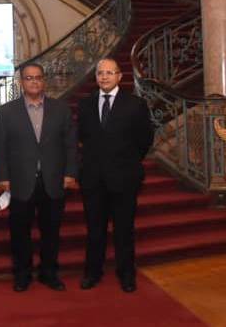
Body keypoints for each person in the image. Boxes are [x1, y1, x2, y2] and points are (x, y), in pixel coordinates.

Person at [0, 63, 77, 292]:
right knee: (20, 232)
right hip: (19, 181)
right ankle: (22, 274)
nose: (34, 82)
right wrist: (2, 176)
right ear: (21, 82)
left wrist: (71, 172)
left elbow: (70, 145)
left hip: (53, 180)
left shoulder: (61, 109)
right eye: (29, 78)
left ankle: (49, 273)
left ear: (44, 80)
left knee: (51, 231)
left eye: (38, 77)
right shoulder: (6, 111)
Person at [77, 58, 154, 293]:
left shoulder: (135, 104)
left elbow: (145, 140)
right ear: (96, 77)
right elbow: (82, 138)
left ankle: (126, 274)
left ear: (120, 76)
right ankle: (93, 272)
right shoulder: (86, 104)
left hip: (124, 178)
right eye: (100, 73)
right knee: (95, 230)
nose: (104, 77)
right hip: (93, 179)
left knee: (124, 230)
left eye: (110, 73)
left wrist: (127, 161)